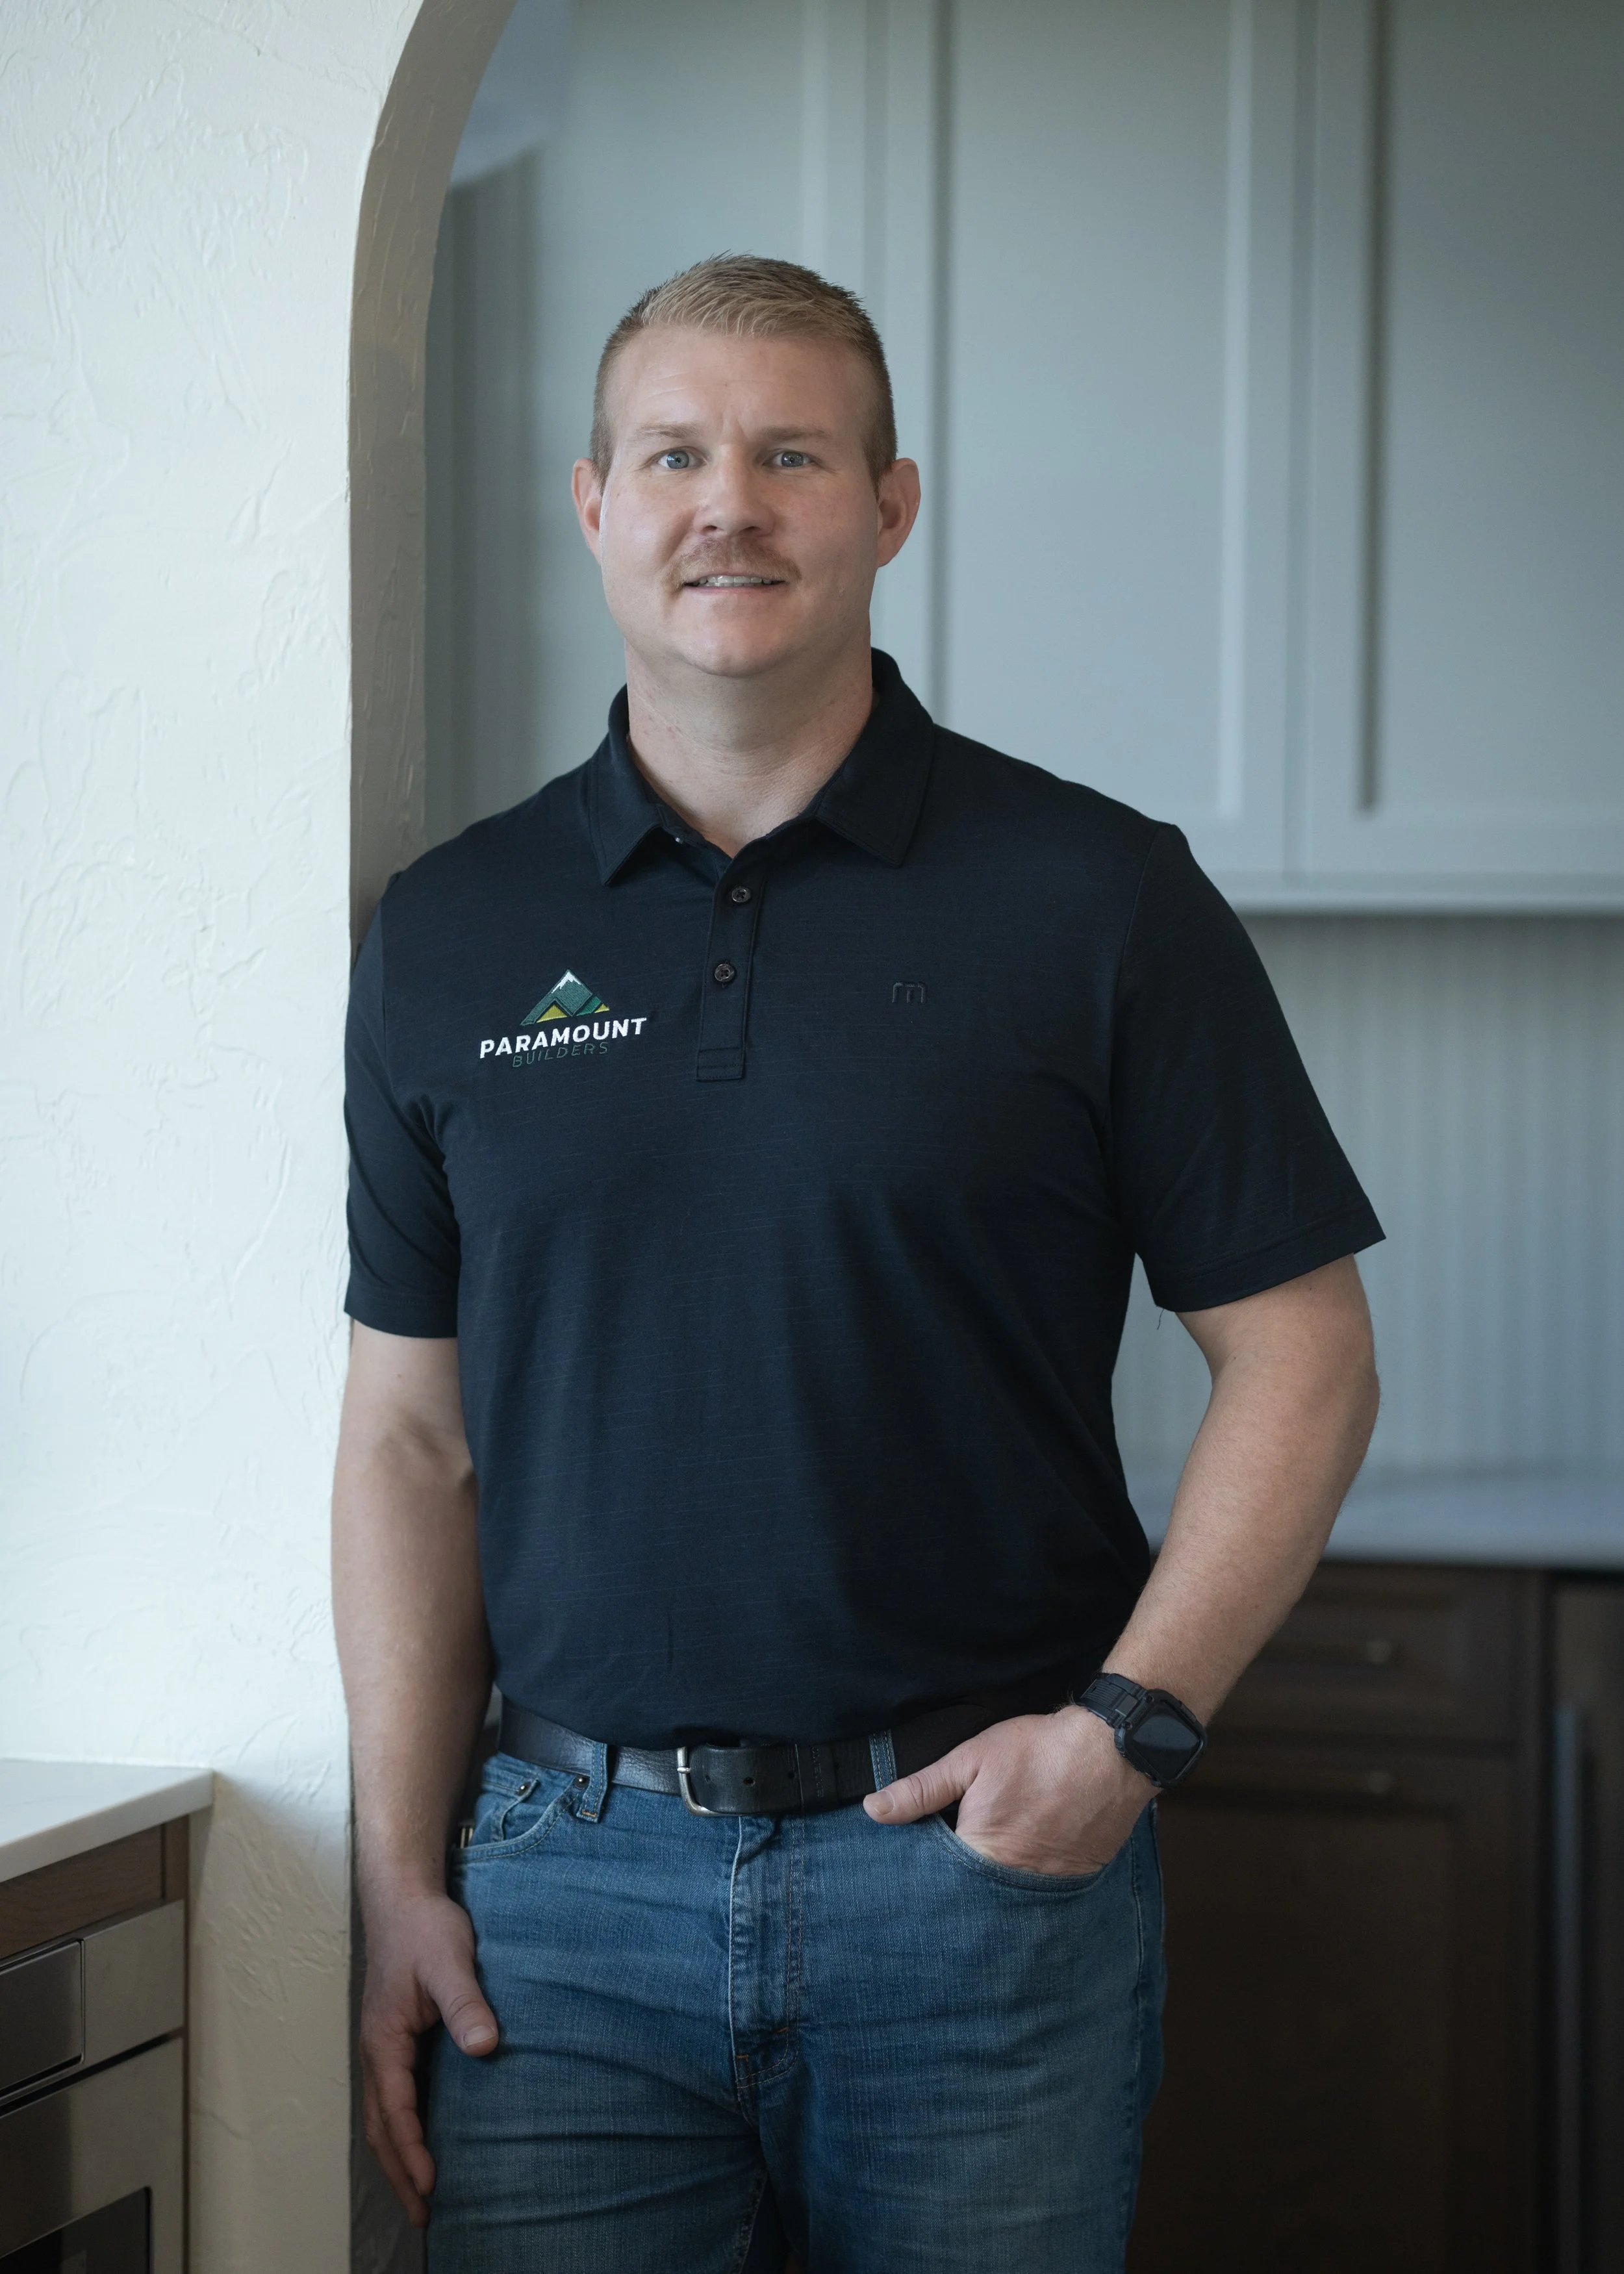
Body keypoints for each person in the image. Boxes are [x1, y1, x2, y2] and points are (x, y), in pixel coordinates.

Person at [333, 253, 1382, 2273]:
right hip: (558, 1908)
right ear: (596, 504)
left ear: (888, 506)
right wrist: (398, 1872)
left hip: (973, 1881)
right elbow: (407, 1443)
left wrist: (1126, 1734)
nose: (728, 499)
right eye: (675, 453)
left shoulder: (1095, 897)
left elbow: (1305, 1355)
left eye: (791, 453)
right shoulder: (448, 932)